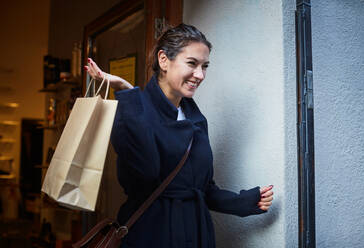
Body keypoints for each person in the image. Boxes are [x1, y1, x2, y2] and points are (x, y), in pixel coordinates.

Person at [85, 23, 274, 248]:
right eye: (192, 64)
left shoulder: (195, 117)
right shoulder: (133, 111)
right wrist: (125, 90)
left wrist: (243, 202)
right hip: (152, 234)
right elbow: (146, 172)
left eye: (205, 66)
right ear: (163, 60)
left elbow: (203, 189)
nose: (200, 75)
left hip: (196, 233)